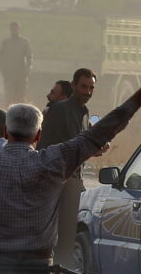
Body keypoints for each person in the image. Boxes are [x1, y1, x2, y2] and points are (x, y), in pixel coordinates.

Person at [0, 77, 141, 267]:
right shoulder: (55, 161)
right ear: (38, 135)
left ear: (6, 132)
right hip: (38, 267)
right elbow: (100, 132)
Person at [39, 68, 100, 260]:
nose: (87, 92)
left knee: (67, 241)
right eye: (83, 87)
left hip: (74, 183)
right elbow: (44, 148)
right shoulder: (59, 110)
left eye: (91, 88)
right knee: (51, 239)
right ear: (73, 85)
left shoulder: (84, 113)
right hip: (57, 182)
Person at [0, 22, 33, 105]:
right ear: (10, 30)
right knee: (9, 97)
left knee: (21, 96)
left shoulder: (24, 42)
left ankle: (20, 111)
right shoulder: (5, 43)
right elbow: (0, 57)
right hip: (9, 74)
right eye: (13, 29)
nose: (14, 31)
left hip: (21, 73)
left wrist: (28, 70)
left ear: (19, 30)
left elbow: (29, 57)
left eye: (16, 29)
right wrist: (2, 70)